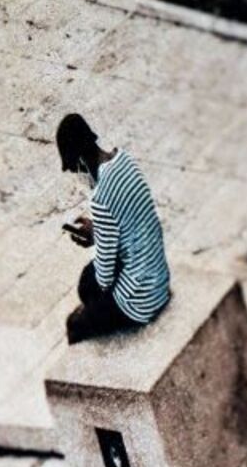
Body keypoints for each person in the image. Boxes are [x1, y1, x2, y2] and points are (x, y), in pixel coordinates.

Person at [55, 112, 171, 344]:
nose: (77, 174)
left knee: (77, 318)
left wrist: (95, 238)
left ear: (79, 160)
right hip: (160, 280)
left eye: (73, 168)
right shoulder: (125, 160)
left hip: (140, 302)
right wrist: (98, 232)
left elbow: (105, 278)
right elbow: (129, 221)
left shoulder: (100, 199)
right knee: (88, 280)